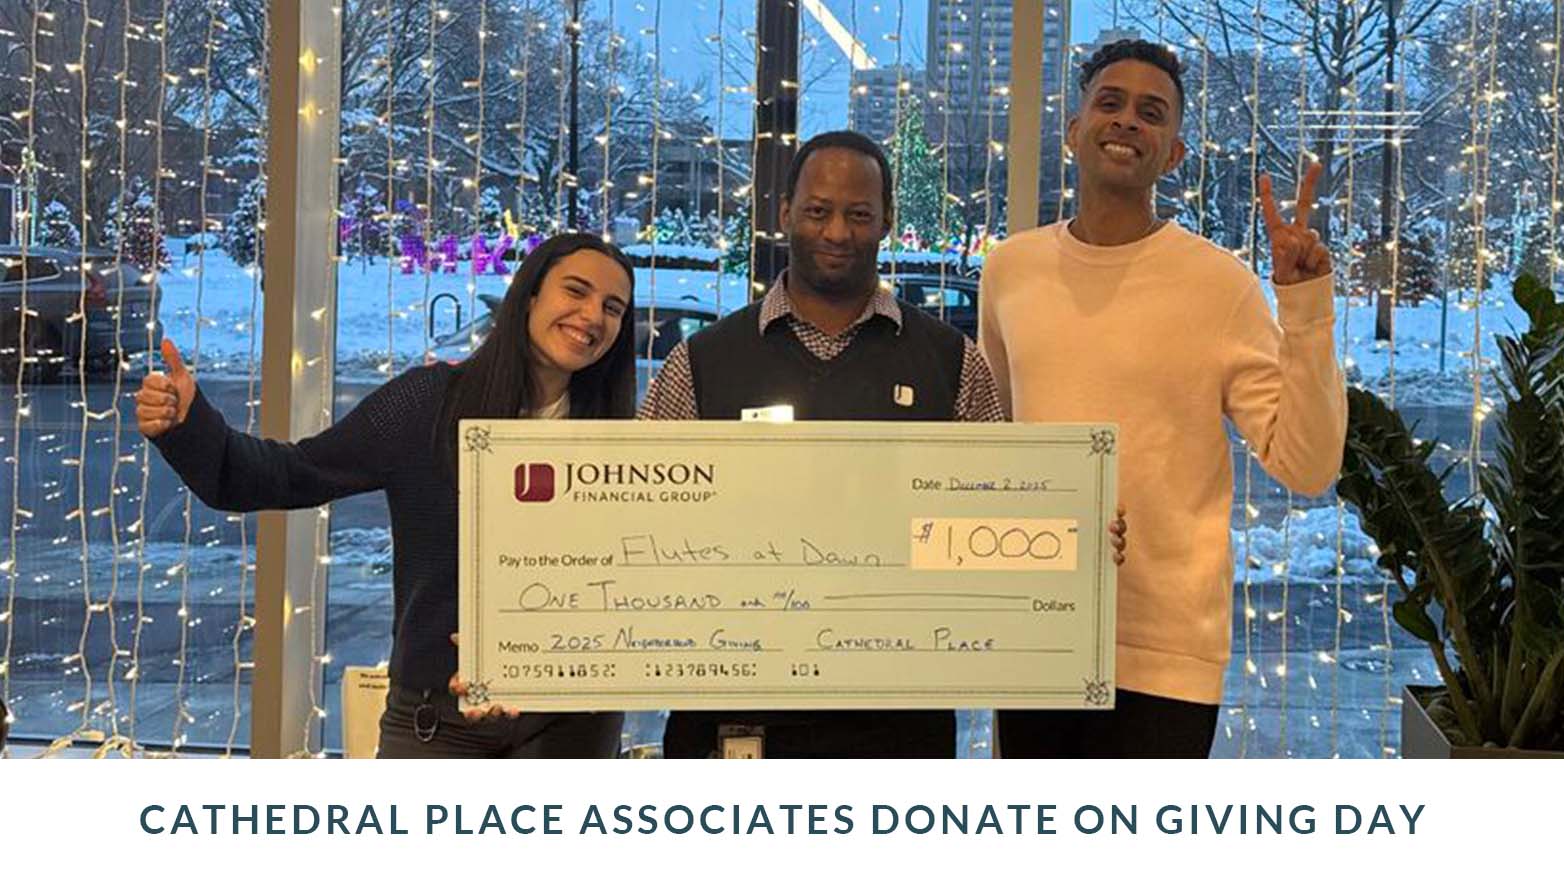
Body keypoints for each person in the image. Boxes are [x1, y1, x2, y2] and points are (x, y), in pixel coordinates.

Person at [639, 130, 1126, 758]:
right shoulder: (702, 363)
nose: (837, 231)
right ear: (784, 213)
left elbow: (999, 516)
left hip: (899, 717)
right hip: (737, 714)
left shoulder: (952, 364)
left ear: (887, 221)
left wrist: (1076, 537)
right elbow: (644, 528)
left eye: (858, 213)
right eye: (818, 210)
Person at [979, 39, 1346, 758]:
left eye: (1152, 113)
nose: (1127, 122)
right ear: (1074, 130)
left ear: (1174, 154)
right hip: (1037, 631)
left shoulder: (1218, 285)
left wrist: (1304, 306)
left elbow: (1307, 465)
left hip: (1167, 654)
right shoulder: (1010, 271)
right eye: (1109, 104)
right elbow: (997, 443)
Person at [136, 233, 637, 758]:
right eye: (575, 291)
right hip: (438, 727)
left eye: (612, 307)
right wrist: (188, 427)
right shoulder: (428, 405)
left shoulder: (623, 444)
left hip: (571, 730)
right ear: (530, 296)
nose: (592, 316)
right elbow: (289, 473)